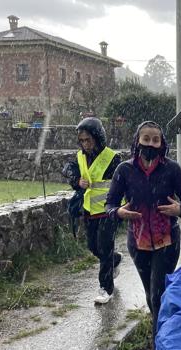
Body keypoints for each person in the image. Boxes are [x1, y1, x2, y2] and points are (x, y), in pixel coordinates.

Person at [105, 120, 181, 350]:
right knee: (151, 296)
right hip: (138, 243)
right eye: (146, 139)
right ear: (137, 141)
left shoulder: (172, 170)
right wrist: (119, 212)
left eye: (156, 140)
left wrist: (180, 210)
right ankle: (166, 333)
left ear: (162, 144)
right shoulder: (125, 171)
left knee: (157, 297)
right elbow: (110, 204)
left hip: (167, 242)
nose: (151, 144)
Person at [62, 117, 122, 305]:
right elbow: (68, 168)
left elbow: (123, 183)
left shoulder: (113, 158)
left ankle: (106, 288)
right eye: (81, 140)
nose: (85, 144)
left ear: (97, 137)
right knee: (93, 247)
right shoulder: (80, 157)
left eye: (88, 139)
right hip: (89, 210)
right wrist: (76, 179)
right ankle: (115, 259)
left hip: (109, 211)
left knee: (104, 248)